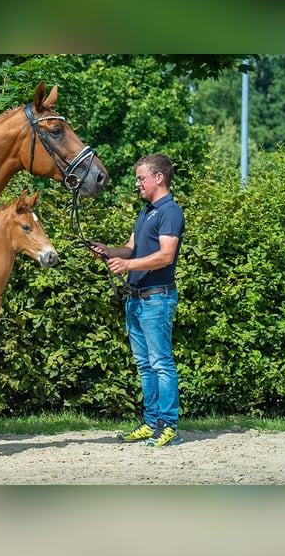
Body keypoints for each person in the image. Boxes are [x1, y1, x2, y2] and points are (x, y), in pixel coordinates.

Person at [90, 153, 185, 447]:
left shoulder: (170, 212)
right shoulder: (146, 211)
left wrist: (128, 267)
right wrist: (109, 251)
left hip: (157, 299)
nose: (137, 183)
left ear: (159, 178)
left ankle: (168, 426)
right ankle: (150, 422)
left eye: (141, 178)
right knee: (146, 365)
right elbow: (131, 249)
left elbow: (166, 256)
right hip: (137, 300)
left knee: (161, 363)